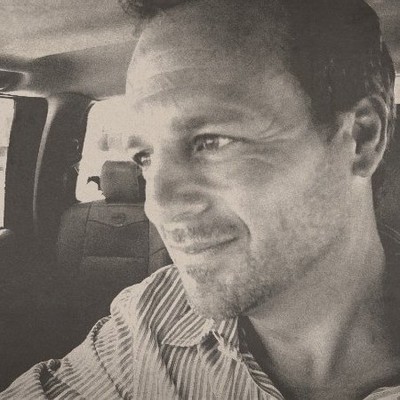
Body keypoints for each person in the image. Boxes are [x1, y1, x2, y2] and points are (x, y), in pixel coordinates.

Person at [2, 0, 399, 398]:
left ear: (361, 138)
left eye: (211, 141)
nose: (157, 205)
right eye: (145, 157)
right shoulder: (154, 318)